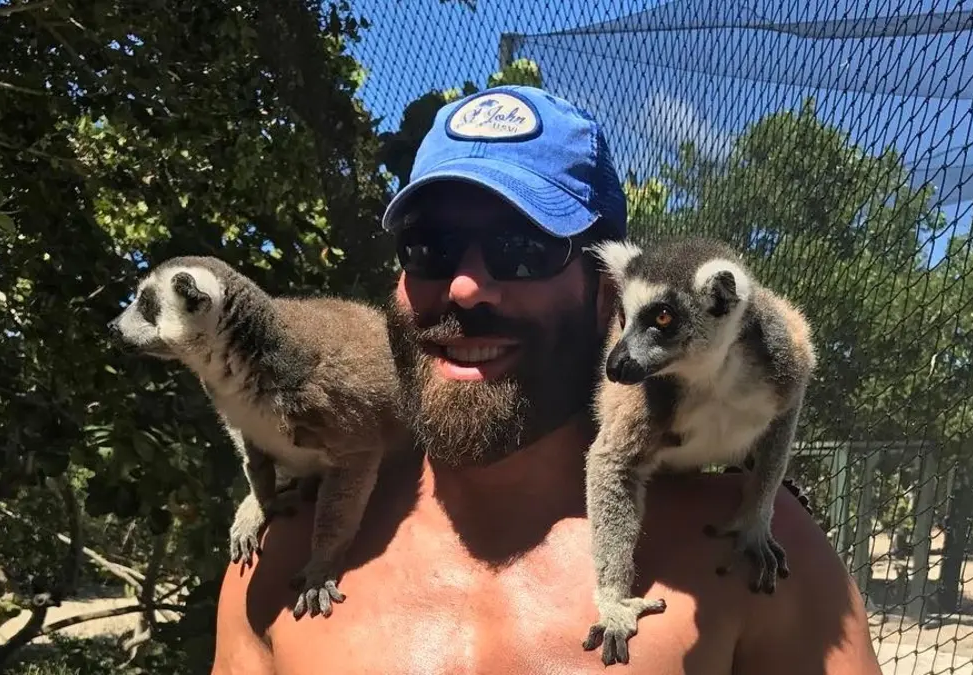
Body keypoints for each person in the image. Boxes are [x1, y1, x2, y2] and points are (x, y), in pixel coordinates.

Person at [210, 85, 883, 674]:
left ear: (607, 295)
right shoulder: (287, 549)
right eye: (429, 247)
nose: (465, 286)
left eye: (523, 249)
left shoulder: (747, 555)